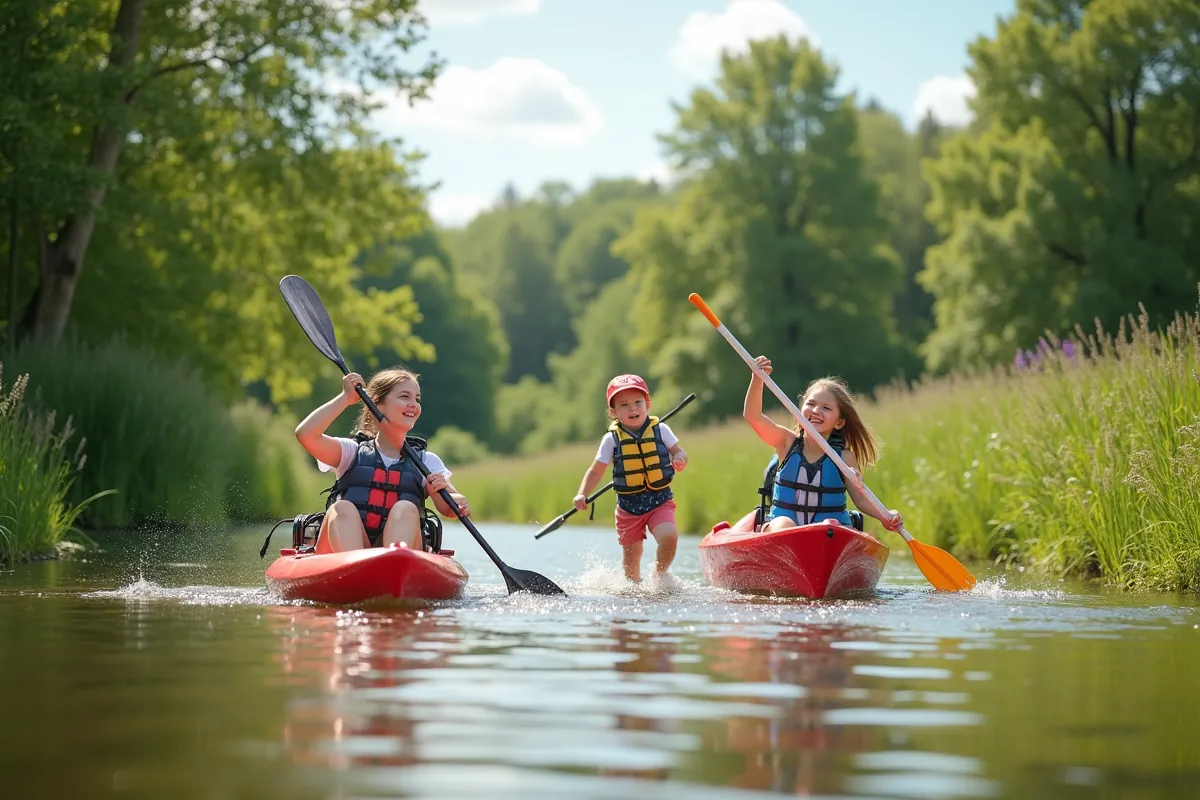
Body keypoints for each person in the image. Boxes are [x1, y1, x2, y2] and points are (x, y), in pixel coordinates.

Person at [294, 367, 469, 553]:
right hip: (346, 554)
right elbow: (306, 435)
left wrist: (454, 500)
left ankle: (392, 560)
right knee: (341, 508)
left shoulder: (427, 462)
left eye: (417, 399)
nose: (413, 404)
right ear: (376, 404)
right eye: (404, 397)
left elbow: (450, 509)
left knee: (405, 509)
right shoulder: (350, 452)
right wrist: (345, 398)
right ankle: (357, 565)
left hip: (398, 556)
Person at [743, 356, 903, 533]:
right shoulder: (786, 442)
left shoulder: (844, 458)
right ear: (800, 410)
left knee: (828, 525)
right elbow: (753, 417)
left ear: (839, 423)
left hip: (827, 534)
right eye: (810, 404)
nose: (816, 411)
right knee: (784, 524)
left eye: (826, 408)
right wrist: (757, 379)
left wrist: (886, 515)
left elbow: (861, 499)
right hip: (781, 531)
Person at [573, 375, 688, 583]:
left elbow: (679, 452)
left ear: (647, 404)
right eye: (624, 405)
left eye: (638, 402)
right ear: (613, 412)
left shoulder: (661, 430)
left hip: (660, 499)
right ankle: (633, 590)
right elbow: (595, 471)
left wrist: (680, 459)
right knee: (632, 559)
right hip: (629, 507)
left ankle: (659, 576)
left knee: (669, 536)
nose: (633, 408)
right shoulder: (611, 440)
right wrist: (582, 494)